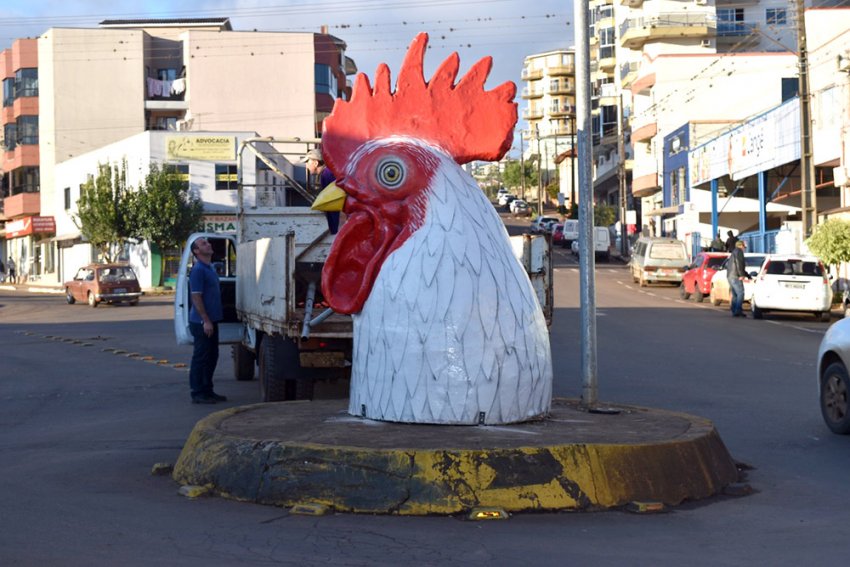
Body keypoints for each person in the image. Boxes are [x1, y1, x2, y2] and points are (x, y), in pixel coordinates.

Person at [187, 237, 227, 404]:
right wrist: (206, 320)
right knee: (201, 357)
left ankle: (208, 390)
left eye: (207, 242)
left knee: (212, 356)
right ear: (196, 251)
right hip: (201, 322)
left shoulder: (209, 267)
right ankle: (197, 392)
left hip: (212, 320)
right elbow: (196, 297)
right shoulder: (198, 270)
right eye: (203, 243)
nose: (208, 244)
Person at [303, 147, 340, 234]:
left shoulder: (327, 175)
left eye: (307, 162)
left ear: (316, 163)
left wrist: (335, 228)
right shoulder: (327, 173)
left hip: (337, 223)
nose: (306, 166)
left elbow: (333, 200)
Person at [727, 240, 750, 318]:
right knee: (741, 293)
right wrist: (741, 275)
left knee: (735, 294)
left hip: (730, 275)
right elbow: (739, 264)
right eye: (744, 247)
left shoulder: (734, 252)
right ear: (741, 246)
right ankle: (738, 310)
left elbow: (738, 265)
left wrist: (747, 275)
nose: (744, 248)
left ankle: (734, 310)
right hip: (736, 276)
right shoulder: (739, 252)